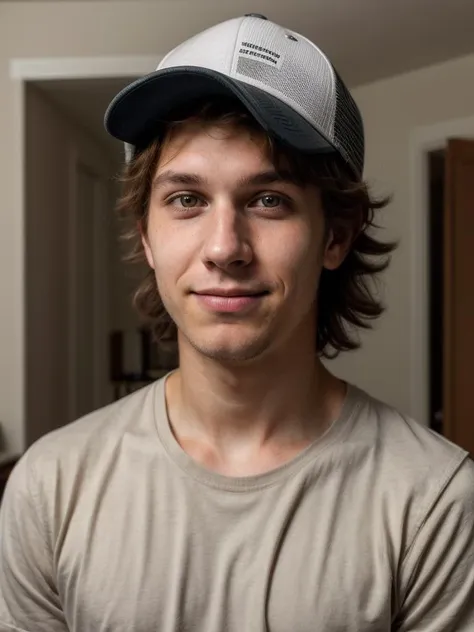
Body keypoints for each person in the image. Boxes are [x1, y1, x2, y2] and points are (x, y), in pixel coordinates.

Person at [1, 14, 473, 632]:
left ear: (335, 236)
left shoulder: (433, 501)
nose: (225, 248)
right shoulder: (51, 485)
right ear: (146, 236)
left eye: (268, 200)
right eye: (187, 200)